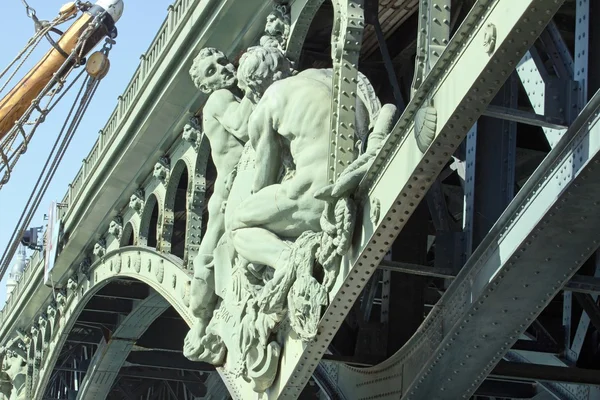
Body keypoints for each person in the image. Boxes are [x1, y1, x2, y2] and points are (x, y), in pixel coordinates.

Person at [184, 47, 255, 360]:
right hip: (227, 196)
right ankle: (200, 322)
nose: (222, 70)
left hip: (246, 181)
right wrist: (255, 84)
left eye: (223, 62)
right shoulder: (219, 100)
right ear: (205, 86)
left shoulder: (231, 97)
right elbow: (242, 126)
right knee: (206, 264)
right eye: (211, 71)